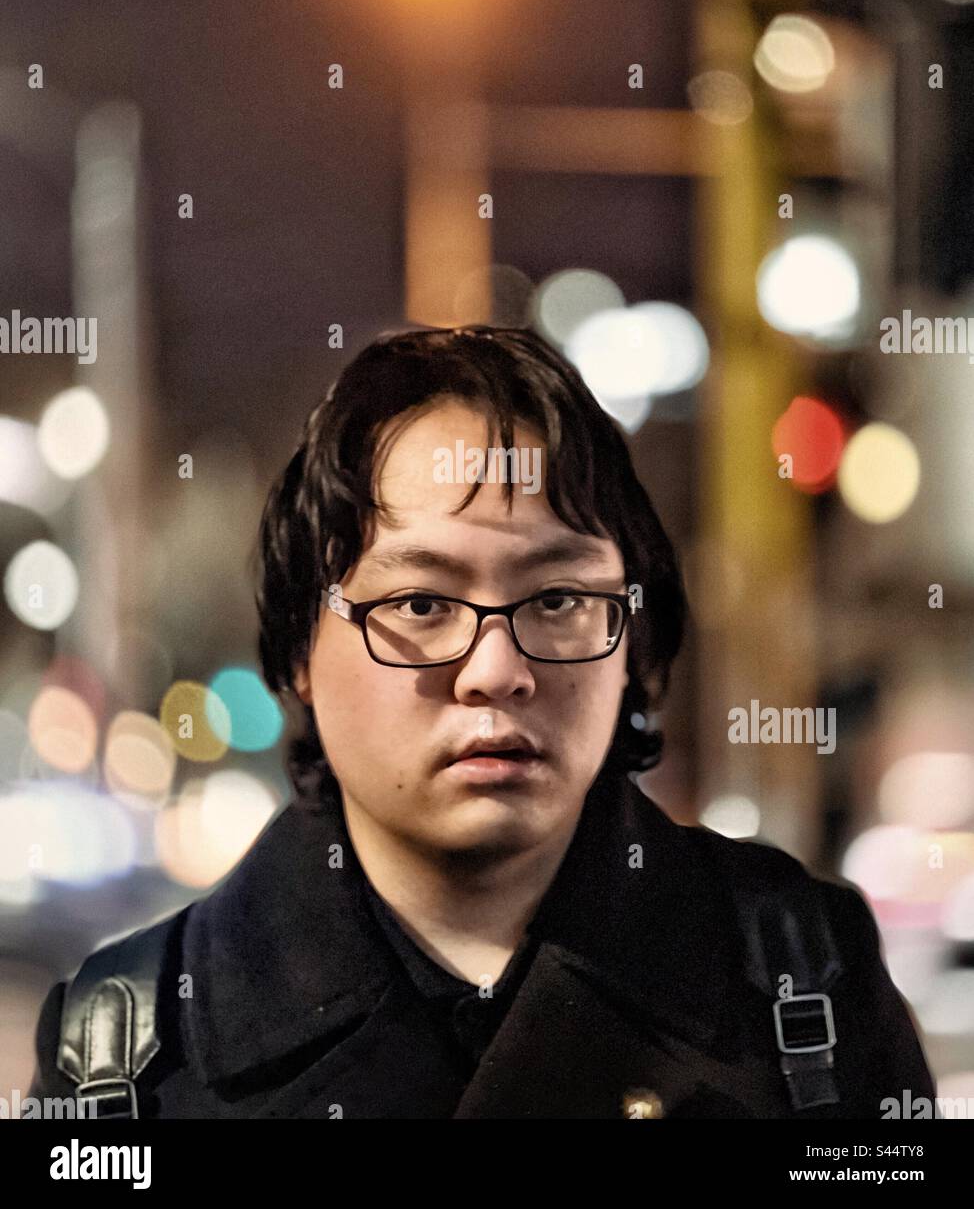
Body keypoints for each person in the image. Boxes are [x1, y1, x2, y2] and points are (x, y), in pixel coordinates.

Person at [28, 325, 935, 1119]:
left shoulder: (801, 978)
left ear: (632, 639)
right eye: (422, 603)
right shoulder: (126, 1053)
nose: (498, 671)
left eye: (558, 600)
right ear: (301, 650)